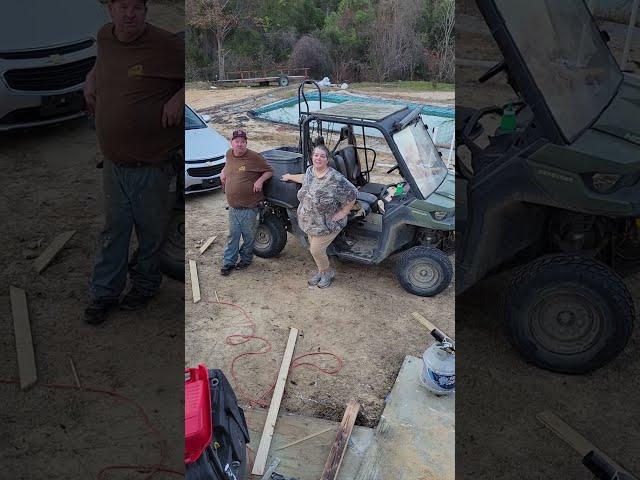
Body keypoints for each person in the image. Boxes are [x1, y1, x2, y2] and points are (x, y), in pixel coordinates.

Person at [83, 0, 184, 324]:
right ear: (110, 9)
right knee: (114, 231)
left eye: (137, 8)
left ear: (145, 11)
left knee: (151, 234)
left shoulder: (165, 44)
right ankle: (104, 294)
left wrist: (178, 98)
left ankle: (144, 286)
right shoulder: (105, 37)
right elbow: (104, 63)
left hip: (153, 166)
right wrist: (90, 78)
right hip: (114, 164)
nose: (130, 14)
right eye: (123, 6)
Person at [282, 145, 358, 288]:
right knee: (316, 250)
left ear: (327, 159)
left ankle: (327, 273)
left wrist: (343, 212)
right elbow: (305, 178)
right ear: (312, 157)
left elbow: (352, 193)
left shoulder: (335, 178)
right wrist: (290, 176)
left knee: (315, 250)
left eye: (322, 156)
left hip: (327, 223)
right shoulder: (311, 171)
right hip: (310, 222)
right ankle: (321, 271)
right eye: (316, 155)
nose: (318, 158)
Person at [219, 130, 273, 276]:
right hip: (233, 206)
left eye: (243, 141)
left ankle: (246, 260)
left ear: (246, 143)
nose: (240, 144)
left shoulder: (254, 157)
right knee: (233, 236)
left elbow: (269, 171)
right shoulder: (229, 154)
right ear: (232, 143)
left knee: (248, 237)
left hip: (249, 207)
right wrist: (223, 172)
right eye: (237, 141)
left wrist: (260, 180)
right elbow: (227, 165)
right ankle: (228, 262)